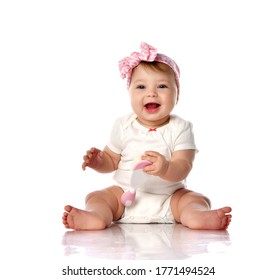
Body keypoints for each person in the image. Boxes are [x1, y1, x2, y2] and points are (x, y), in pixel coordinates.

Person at [62, 42, 232, 231]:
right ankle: (95, 216)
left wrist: (166, 168)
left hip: (170, 197)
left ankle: (197, 216)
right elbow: (111, 161)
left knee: (194, 199)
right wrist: (98, 162)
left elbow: (183, 166)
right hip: (124, 196)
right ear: (130, 93)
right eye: (141, 86)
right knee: (98, 197)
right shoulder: (123, 125)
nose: (151, 93)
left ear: (177, 95)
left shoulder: (181, 127)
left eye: (162, 86)